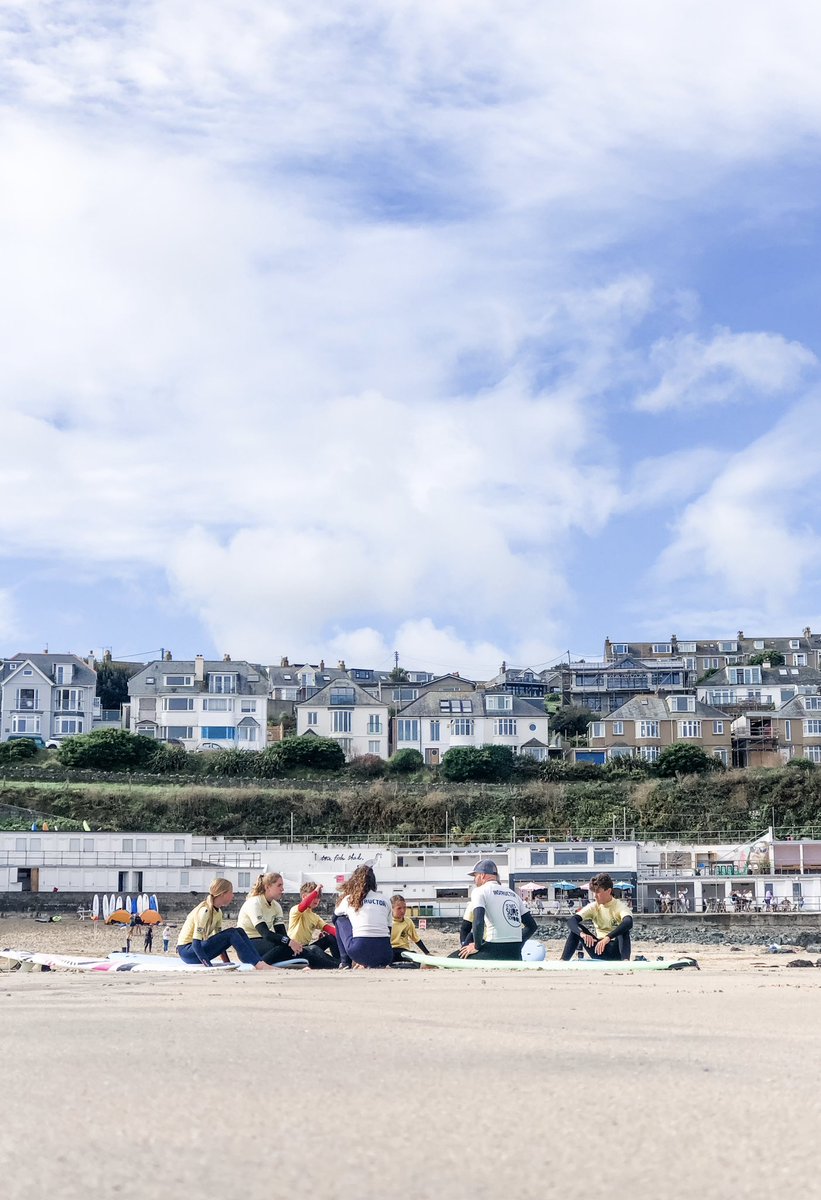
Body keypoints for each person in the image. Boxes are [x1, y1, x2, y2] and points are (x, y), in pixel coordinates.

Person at [177, 878, 272, 969]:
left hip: (197, 951)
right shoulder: (205, 911)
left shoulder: (218, 912)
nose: (233, 895)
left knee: (239, 931)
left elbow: (219, 942)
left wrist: (227, 963)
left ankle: (259, 962)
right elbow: (196, 944)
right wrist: (208, 965)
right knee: (231, 933)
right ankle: (258, 964)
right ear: (223, 894)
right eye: (231, 892)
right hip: (187, 952)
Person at [458, 860, 537, 962]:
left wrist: (477, 946)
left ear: (482, 875)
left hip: (493, 950)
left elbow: (478, 922)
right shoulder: (513, 894)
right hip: (515, 953)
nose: (474, 880)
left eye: (475, 876)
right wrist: (518, 944)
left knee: (454, 957)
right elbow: (532, 926)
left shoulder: (479, 891)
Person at [237, 872, 313, 966]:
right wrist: (289, 942)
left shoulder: (276, 906)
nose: (282, 889)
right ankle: (260, 965)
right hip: (248, 946)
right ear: (267, 887)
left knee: (308, 951)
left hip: (265, 944)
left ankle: (334, 964)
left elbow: (281, 934)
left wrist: (293, 945)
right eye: (279, 885)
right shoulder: (254, 903)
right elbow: (266, 933)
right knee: (286, 947)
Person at [560, 872, 633, 961]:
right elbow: (571, 921)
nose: (595, 896)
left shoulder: (619, 906)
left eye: (598, 892)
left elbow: (628, 923)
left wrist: (608, 937)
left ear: (609, 891)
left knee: (623, 930)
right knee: (577, 929)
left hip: (617, 951)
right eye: (594, 892)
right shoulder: (594, 906)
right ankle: (563, 960)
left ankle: (625, 961)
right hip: (598, 950)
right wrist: (582, 934)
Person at [334, 865, 393, 968]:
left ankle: (345, 962)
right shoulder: (385, 899)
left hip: (359, 950)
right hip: (385, 955)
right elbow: (389, 929)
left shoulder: (349, 899)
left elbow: (335, 916)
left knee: (339, 919)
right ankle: (373, 962)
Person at [287, 881, 340, 967]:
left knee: (331, 938)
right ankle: (337, 965)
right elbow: (303, 905)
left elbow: (330, 929)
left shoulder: (315, 917)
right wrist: (316, 890)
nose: (317, 899)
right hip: (293, 949)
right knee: (315, 949)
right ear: (304, 896)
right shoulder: (295, 910)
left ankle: (341, 961)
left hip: (306, 948)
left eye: (318, 897)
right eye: (315, 896)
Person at [390, 895, 430, 964]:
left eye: (404, 908)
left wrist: (427, 953)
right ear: (391, 909)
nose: (403, 911)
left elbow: (416, 939)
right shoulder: (387, 922)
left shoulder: (408, 922)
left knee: (415, 955)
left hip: (404, 951)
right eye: (399, 908)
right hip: (391, 950)